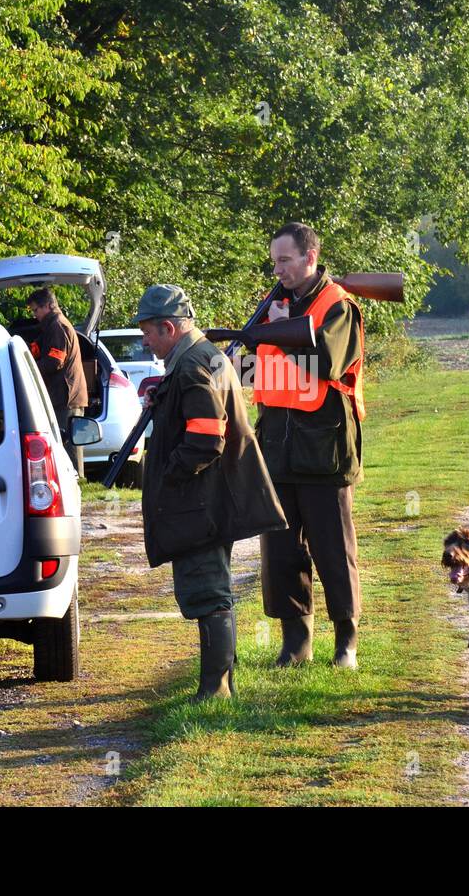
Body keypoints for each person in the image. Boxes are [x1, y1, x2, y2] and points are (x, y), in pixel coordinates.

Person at [134, 284, 286, 701]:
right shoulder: (199, 359)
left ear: (168, 327)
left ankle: (216, 690)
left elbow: (205, 438)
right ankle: (218, 684)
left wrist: (169, 476)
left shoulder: (194, 365)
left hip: (198, 501)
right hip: (206, 498)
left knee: (208, 591)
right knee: (211, 589)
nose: (144, 341)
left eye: (147, 332)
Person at [253, 222, 367, 668]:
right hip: (277, 450)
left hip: (325, 450)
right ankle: (296, 645)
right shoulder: (273, 306)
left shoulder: (337, 306)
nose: (277, 269)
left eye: (285, 260)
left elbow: (326, 364)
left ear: (310, 257)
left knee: (333, 550)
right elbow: (255, 370)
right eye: (274, 260)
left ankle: (346, 643)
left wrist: (285, 332)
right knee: (281, 552)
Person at [28, 287, 89, 477]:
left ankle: (74, 479)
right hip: (62, 394)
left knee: (67, 440)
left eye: (36, 310)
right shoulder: (51, 326)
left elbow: (55, 361)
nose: (34, 314)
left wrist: (29, 367)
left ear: (48, 305)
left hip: (66, 395)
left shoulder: (57, 326)